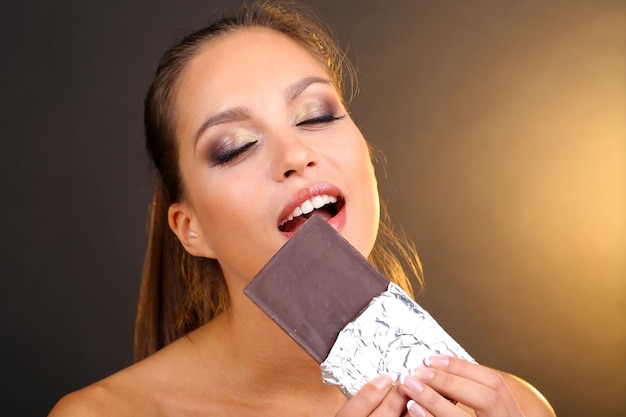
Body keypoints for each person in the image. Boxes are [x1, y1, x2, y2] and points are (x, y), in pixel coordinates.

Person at [49, 1, 556, 416]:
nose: (294, 156)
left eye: (315, 116)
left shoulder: (510, 406)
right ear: (190, 228)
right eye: (234, 147)